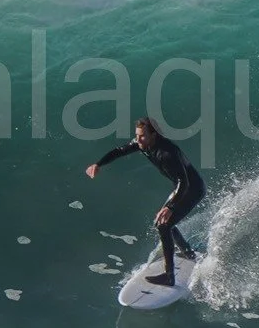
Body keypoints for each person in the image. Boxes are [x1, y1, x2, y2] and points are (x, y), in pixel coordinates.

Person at [87, 117, 204, 287]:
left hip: (191, 190)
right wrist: (99, 164)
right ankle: (187, 253)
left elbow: (183, 182)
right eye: (137, 135)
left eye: (142, 136)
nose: (138, 139)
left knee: (164, 224)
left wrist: (170, 207)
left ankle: (169, 277)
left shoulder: (168, 153)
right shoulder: (143, 144)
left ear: (153, 135)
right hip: (180, 188)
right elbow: (120, 150)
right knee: (162, 222)